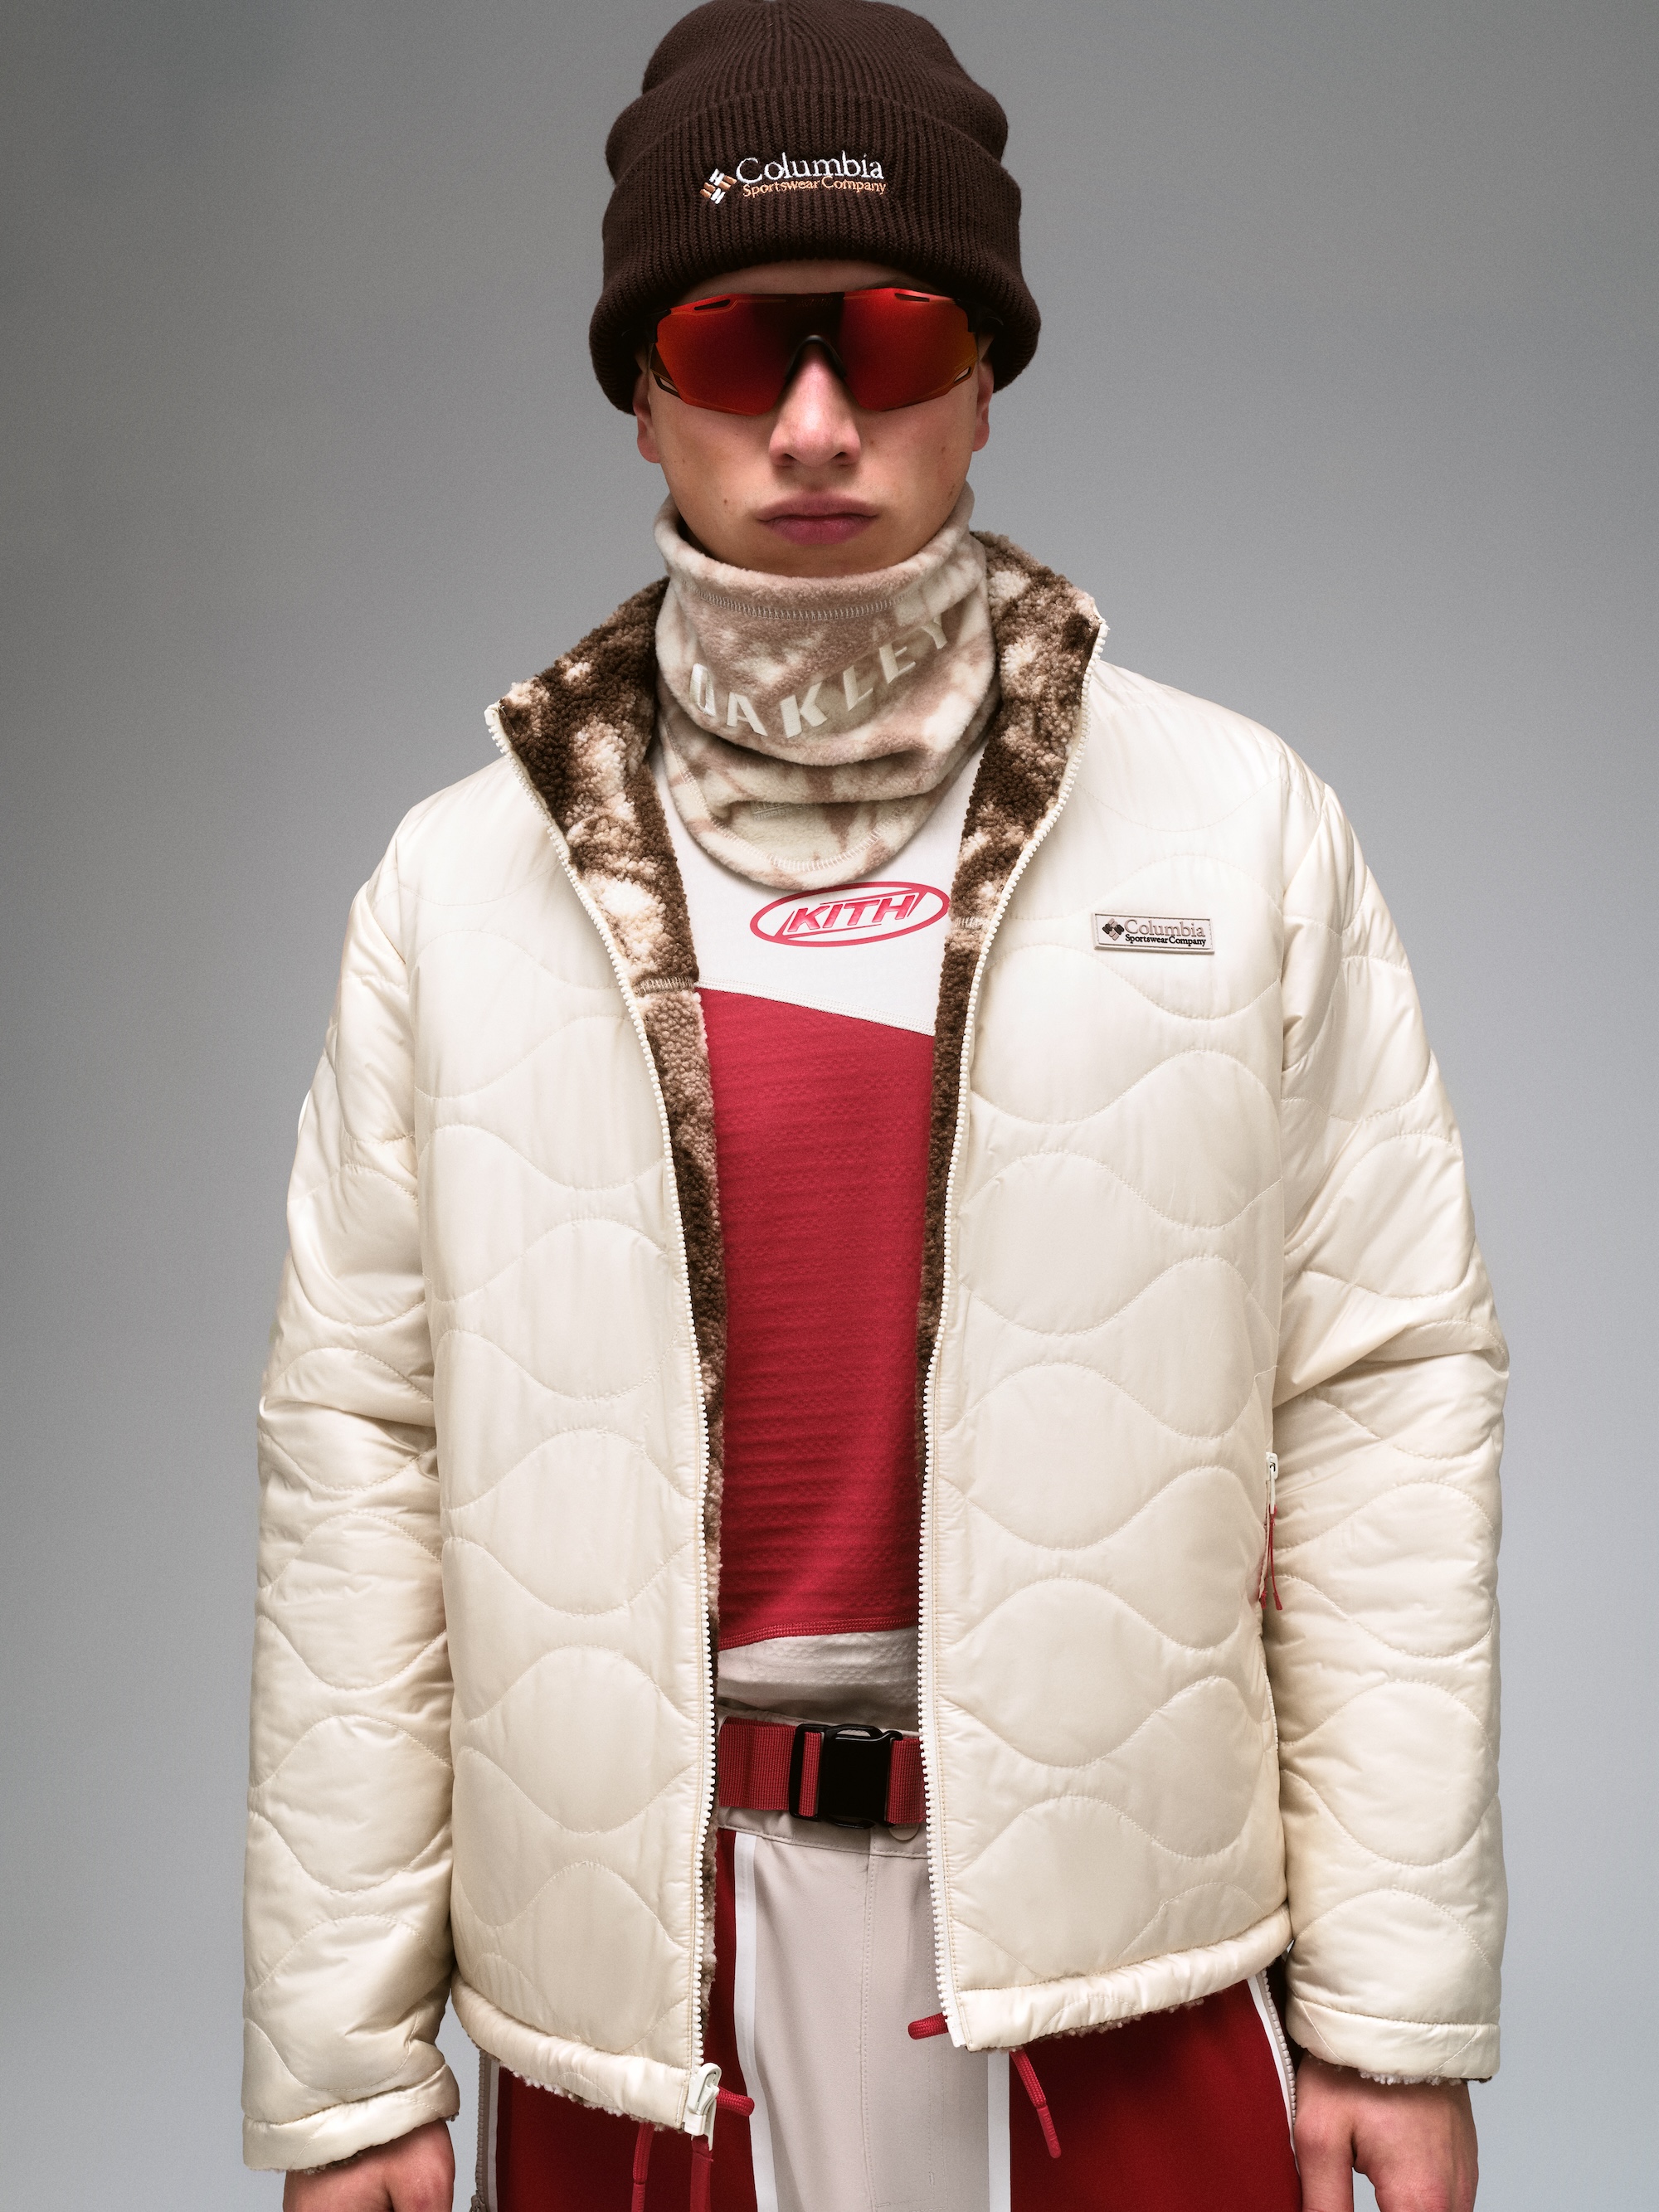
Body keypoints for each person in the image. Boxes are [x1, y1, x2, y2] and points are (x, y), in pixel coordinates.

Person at [241, 4, 1506, 2209]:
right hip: (640, 1994)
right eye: (741, 342)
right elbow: (362, 1461)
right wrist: (349, 2069)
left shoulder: (1241, 835)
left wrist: (1388, 2009)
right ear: (642, 388)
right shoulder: (457, 893)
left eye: (893, 334)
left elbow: (1380, 1401)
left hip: (1113, 1975)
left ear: (984, 374)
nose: (817, 420)